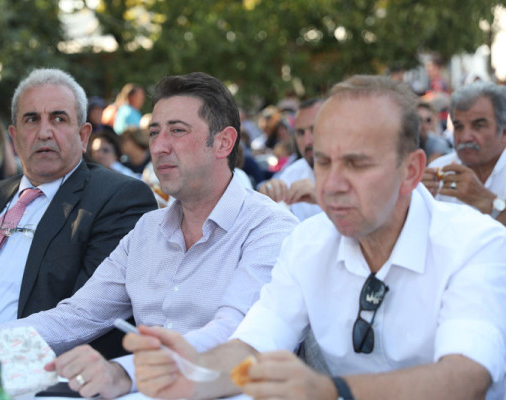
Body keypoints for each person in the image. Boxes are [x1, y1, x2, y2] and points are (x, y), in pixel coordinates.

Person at [125, 75, 506, 400]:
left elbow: (466, 376)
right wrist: (188, 371)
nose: (333, 184)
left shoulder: (476, 242)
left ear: (411, 171)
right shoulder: (307, 241)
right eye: (322, 162)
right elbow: (252, 347)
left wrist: (330, 389)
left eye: (357, 163)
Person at [0, 72, 298, 399]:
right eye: (154, 132)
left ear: (223, 142)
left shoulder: (270, 229)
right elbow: (76, 316)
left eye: (177, 131)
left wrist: (125, 372)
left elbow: (236, 336)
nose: (159, 147)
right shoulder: (147, 230)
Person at [0, 68, 157, 360]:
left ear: (83, 135)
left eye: (59, 118)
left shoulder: (117, 199)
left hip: (24, 373)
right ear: (14, 137)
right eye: (31, 119)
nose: (44, 132)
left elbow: (83, 322)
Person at [423, 81, 506, 226]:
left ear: (503, 131)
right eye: (458, 127)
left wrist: (485, 201)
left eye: (478, 126)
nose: (465, 137)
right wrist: (417, 202)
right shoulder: (438, 169)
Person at [259, 99, 324, 220]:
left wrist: (323, 199)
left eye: (314, 130)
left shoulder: (355, 172)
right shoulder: (292, 173)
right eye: (300, 133)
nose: (307, 141)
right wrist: (267, 193)